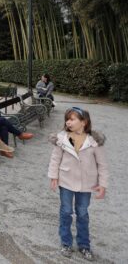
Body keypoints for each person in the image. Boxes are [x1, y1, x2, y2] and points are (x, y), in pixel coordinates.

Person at [48, 107, 108, 261]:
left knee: (82, 213)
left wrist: (102, 184)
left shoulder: (94, 141)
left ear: (84, 122)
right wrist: (53, 176)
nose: (68, 122)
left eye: (72, 119)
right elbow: (55, 159)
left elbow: (102, 165)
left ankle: (84, 245)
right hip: (66, 181)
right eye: (67, 119)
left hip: (86, 183)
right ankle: (66, 243)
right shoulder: (61, 138)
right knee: (66, 211)